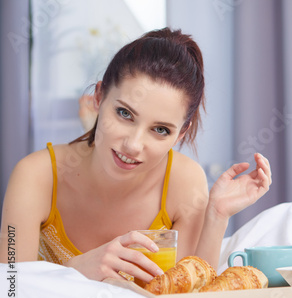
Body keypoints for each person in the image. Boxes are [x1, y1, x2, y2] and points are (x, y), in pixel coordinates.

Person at [0, 28, 272, 284]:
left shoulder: (184, 182)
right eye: (124, 113)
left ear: (180, 135)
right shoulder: (36, 176)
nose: (133, 145)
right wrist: (73, 273)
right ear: (99, 96)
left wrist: (217, 216)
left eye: (161, 130)